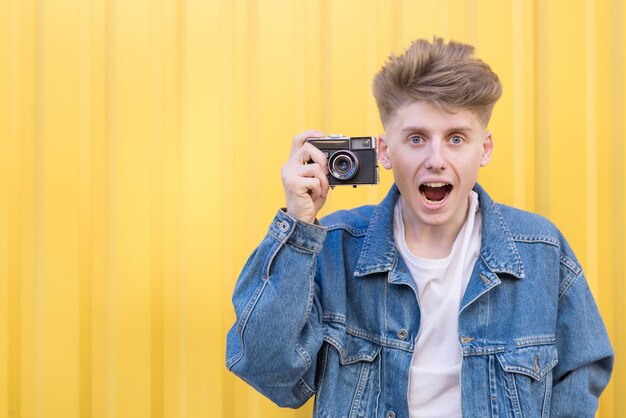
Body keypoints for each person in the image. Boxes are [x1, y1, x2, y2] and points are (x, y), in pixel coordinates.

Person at [225, 37, 613, 417]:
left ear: (485, 148)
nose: (436, 159)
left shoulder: (541, 249)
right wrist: (297, 226)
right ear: (385, 151)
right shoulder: (332, 246)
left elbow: (583, 368)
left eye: (456, 138)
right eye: (416, 138)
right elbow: (270, 375)